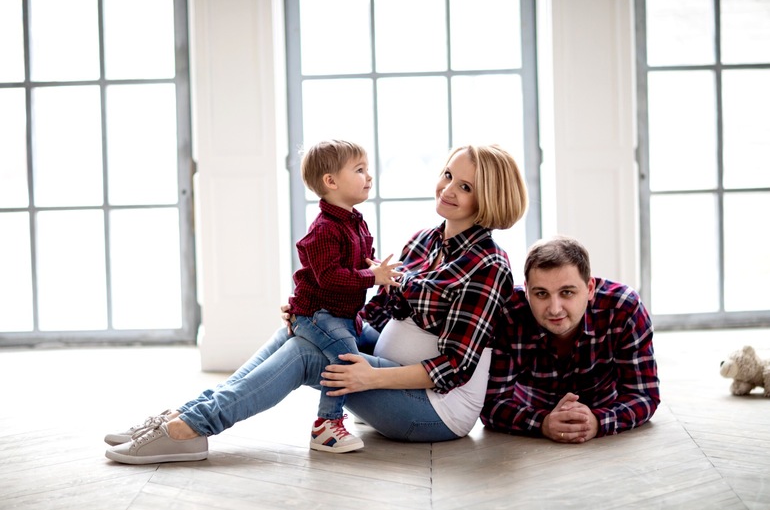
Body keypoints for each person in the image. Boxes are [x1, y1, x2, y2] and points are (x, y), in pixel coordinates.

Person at [104, 143, 529, 465]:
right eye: (448, 175)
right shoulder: (424, 240)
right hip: (388, 372)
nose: (448, 189)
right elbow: (377, 312)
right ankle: (188, 412)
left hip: (434, 409)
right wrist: (314, 312)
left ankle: (190, 430)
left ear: (490, 198)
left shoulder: (488, 265)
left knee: (309, 355)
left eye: (465, 186)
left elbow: (454, 368)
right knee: (302, 328)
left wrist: (370, 378)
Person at [480, 235, 660, 443]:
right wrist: (542, 423)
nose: (555, 309)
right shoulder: (508, 314)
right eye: (541, 294)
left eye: (566, 292)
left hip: (604, 410)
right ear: (527, 291)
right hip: (530, 414)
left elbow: (644, 395)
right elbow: (490, 403)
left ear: (590, 288)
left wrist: (598, 421)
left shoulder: (624, 309)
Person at [286, 140, 401, 453]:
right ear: (331, 181)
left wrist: (377, 268)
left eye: (367, 169)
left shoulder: (355, 221)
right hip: (317, 314)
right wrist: (372, 276)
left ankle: (365, 403)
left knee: (377, 342)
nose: (369, 176)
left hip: (345, 314)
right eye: (360, 170)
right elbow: (330, 278)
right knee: (347, 360)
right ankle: (327, 424)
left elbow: (362, 261)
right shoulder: (324, 229)